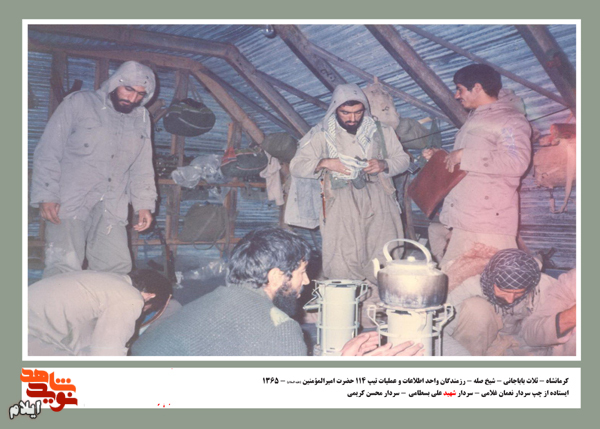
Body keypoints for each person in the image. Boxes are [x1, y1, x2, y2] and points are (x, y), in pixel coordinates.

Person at [131, 227, 423, 357]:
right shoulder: (278, 328)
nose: (306, 282)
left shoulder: (212, 302)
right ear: (275, 277)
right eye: (301, 272)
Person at [30, 61, 158, 278]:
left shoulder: (142, 117)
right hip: (69, 201)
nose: (132, 98)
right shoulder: (79, 103)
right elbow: (48, 150)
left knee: (115, 268)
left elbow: (142, 165)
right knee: (63, 268)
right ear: (115, 83)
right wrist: (46, 194)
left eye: (140, 94)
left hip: (112, 204)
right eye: (128, 89)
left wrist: (144, 204)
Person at [286, 84, 409, 284]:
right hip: (339, 199)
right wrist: (325, 163)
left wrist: (384, 164)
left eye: (358, 112)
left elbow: (403, 160)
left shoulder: (382, 131)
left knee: (384, 251)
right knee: (342, 255)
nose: (352, 118)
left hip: (379, 196)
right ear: (335, 109)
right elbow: (296, 166)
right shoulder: (321, 133)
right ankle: (346, 296)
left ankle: (379, 297)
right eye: (345, 113)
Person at [422, 64, 534, 270]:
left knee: (492, 283)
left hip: (489, 225)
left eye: (460, 89)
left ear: (477, 88)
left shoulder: (509, 120)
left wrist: (463, 155)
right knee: (452, 280)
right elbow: (472, 165)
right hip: (465, 220)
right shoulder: (475, 118)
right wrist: (443, 157)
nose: (456, 95)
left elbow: (516, 162)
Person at [445, 249, 576, 356]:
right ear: (491, 280)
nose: (510, 299)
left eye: (518, 293)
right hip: (481, 341)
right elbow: (441, 330)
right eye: (504, 291)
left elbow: (541, 334)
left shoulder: (545, 287)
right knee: (476, 308)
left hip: (522, 344)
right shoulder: (467, 285)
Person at [28, 269, 172, 356]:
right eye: (146, 309)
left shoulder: (108, 280)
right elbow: (107, 355)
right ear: (150, 296)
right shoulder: (130, 298)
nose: (141, 312)